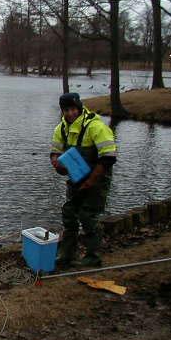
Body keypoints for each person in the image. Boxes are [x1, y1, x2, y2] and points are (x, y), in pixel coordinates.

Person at [50, 93, 117, 268]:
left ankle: (93, 256)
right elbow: (55, 152)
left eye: (73, 109)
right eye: (66, 110)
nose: (70, 113)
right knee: (69, 214)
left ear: (79, 108)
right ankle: (66, 254)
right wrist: (56, 164)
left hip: (98, 179)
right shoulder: (61, 129)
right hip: (76, 179)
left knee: (88, 216)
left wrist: (91, 182)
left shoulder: (96, 127)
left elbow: (108, 157)